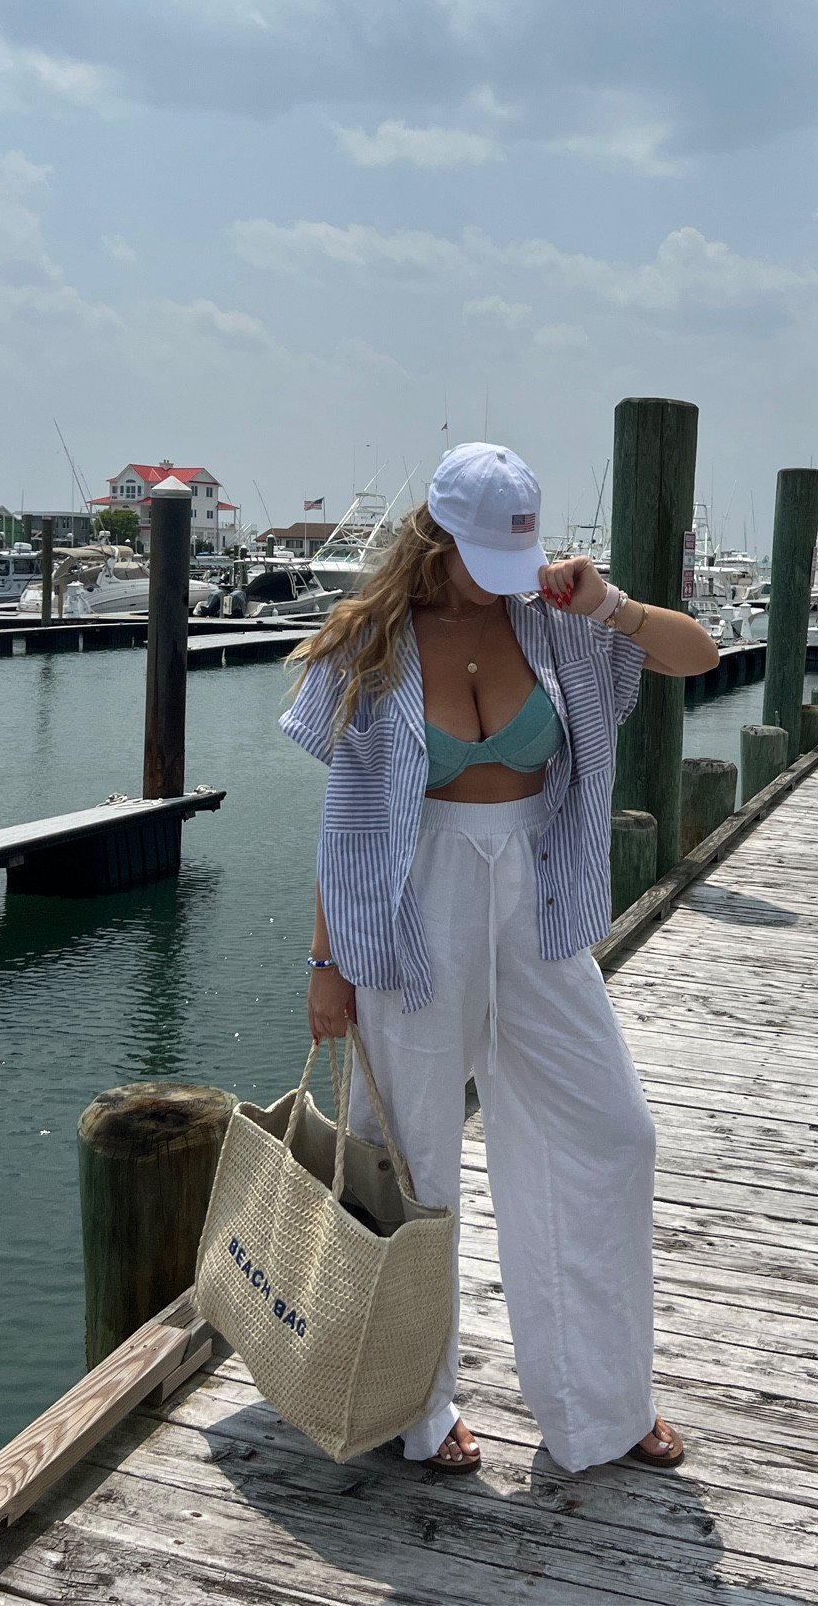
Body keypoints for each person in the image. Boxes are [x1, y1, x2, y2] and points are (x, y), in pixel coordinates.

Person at [282, 442, 719, 1476]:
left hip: (540, 903)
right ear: (435, 536)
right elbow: (345, 821)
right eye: (483, 552)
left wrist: (610, 602)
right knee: (413, 1164)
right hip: (410, 912)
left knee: (611, 1134)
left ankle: (601, 1406)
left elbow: (696, 654)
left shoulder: (557, 620)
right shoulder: (370, 641)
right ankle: (412, 1409)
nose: (500, 573)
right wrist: (324, 962)